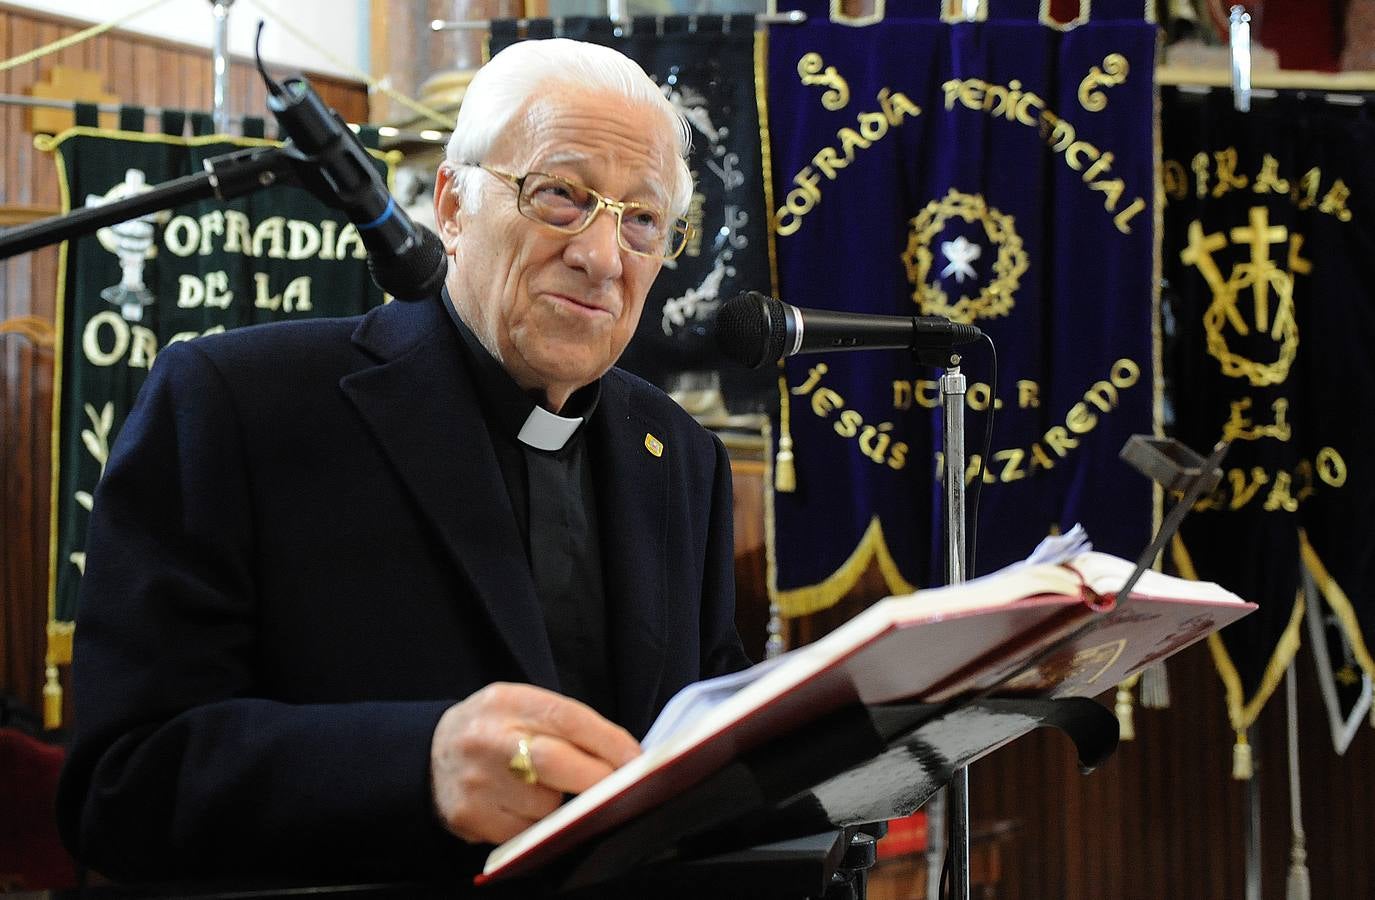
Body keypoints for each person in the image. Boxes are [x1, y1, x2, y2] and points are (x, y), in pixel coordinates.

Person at [57, 38, 750, 885]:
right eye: (560, 196)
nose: (603, 258)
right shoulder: (240, 402)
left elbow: (705, 738)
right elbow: (121, 789)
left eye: (641, 220)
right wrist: (415, 765)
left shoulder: (680, 458)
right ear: (453, 206)